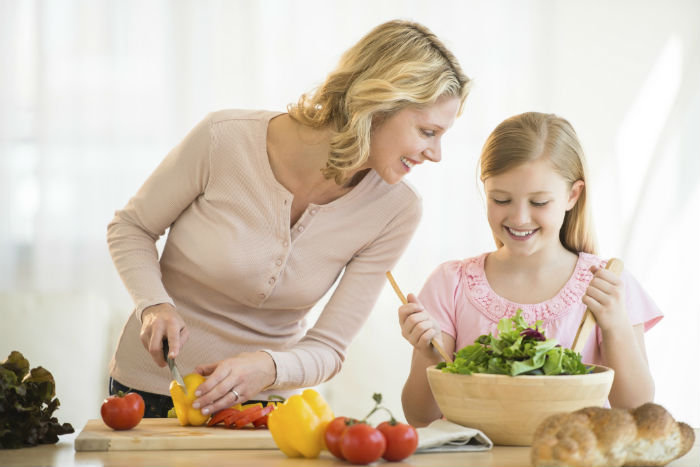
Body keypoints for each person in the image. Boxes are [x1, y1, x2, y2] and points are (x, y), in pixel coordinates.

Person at [107, 20, 471, 418]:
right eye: (427, 131)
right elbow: (131, 227)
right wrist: (155, 305)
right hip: (148, 390)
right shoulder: (224, 139)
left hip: (264, 407)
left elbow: (330, 349)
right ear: (379, 105)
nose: (435, 154)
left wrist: (267, 368)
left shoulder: (396, 209)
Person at [398, 112, 663, 427]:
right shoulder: (450, 284)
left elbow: (637, 409)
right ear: (485, 191)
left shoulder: (607, 284)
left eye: (538, 203)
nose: (520, 218)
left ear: (572, 195)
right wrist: (429, 357)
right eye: (501, 199)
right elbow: (419, 416)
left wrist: (616, 325)